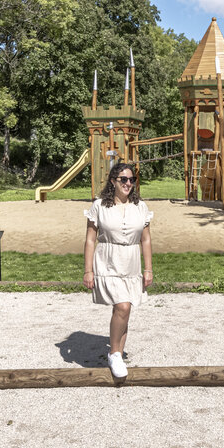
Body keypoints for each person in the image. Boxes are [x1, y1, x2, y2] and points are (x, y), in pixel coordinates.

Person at [83, 162, 154, 379]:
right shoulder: (99, 206)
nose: (128, 183)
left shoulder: (140, 206)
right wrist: (88, 270)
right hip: (108, 260)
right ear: (113, 181)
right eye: (124, 179)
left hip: (131, 261)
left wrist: (148, 269)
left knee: (126, 309)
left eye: (132, 180)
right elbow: (89, 239)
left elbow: (146, 239)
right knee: (122, 307)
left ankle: (118, 354)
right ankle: (114, 353)